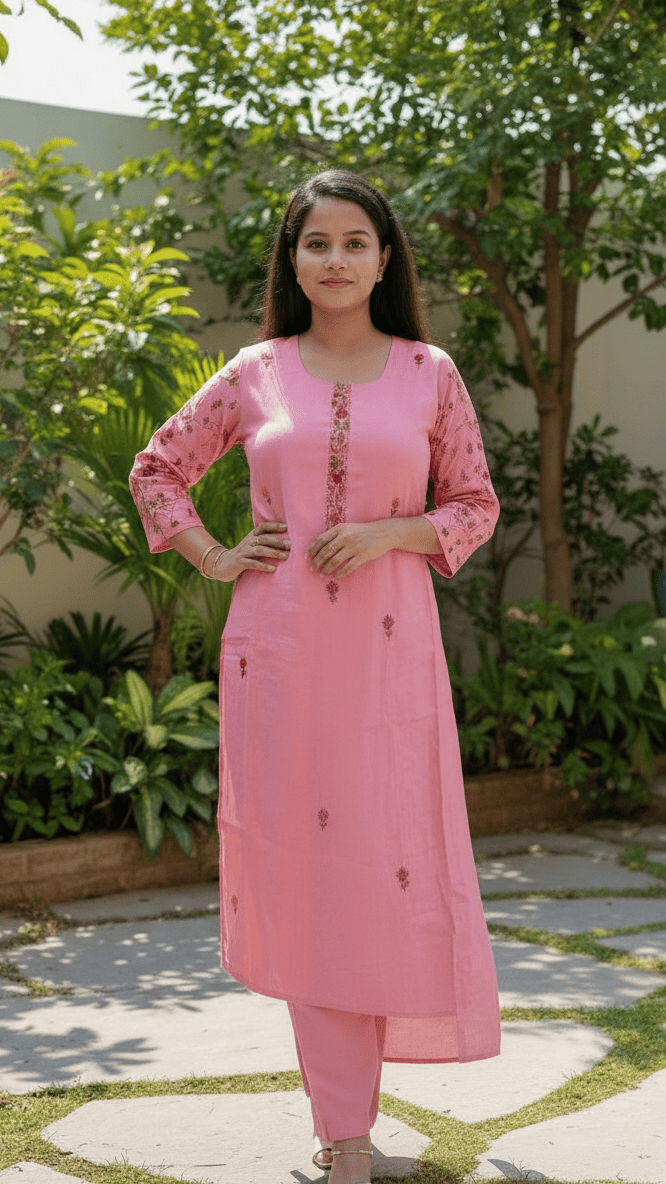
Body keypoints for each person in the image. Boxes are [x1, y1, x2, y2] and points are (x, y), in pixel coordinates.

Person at [129, 169, 501, 1184]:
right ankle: (345, 1132)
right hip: (282, 657)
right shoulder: (256, 371)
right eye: (313, 243)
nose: (333, 259)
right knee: (308, 877)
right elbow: (158, 467)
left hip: (390, 664)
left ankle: (351, 1118)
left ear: (386, 259)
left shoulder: (432, 372)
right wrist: (211, 555)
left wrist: (390, 529)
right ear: (292, 262)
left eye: (353, 241)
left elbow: (474, 503)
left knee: (383, 871)